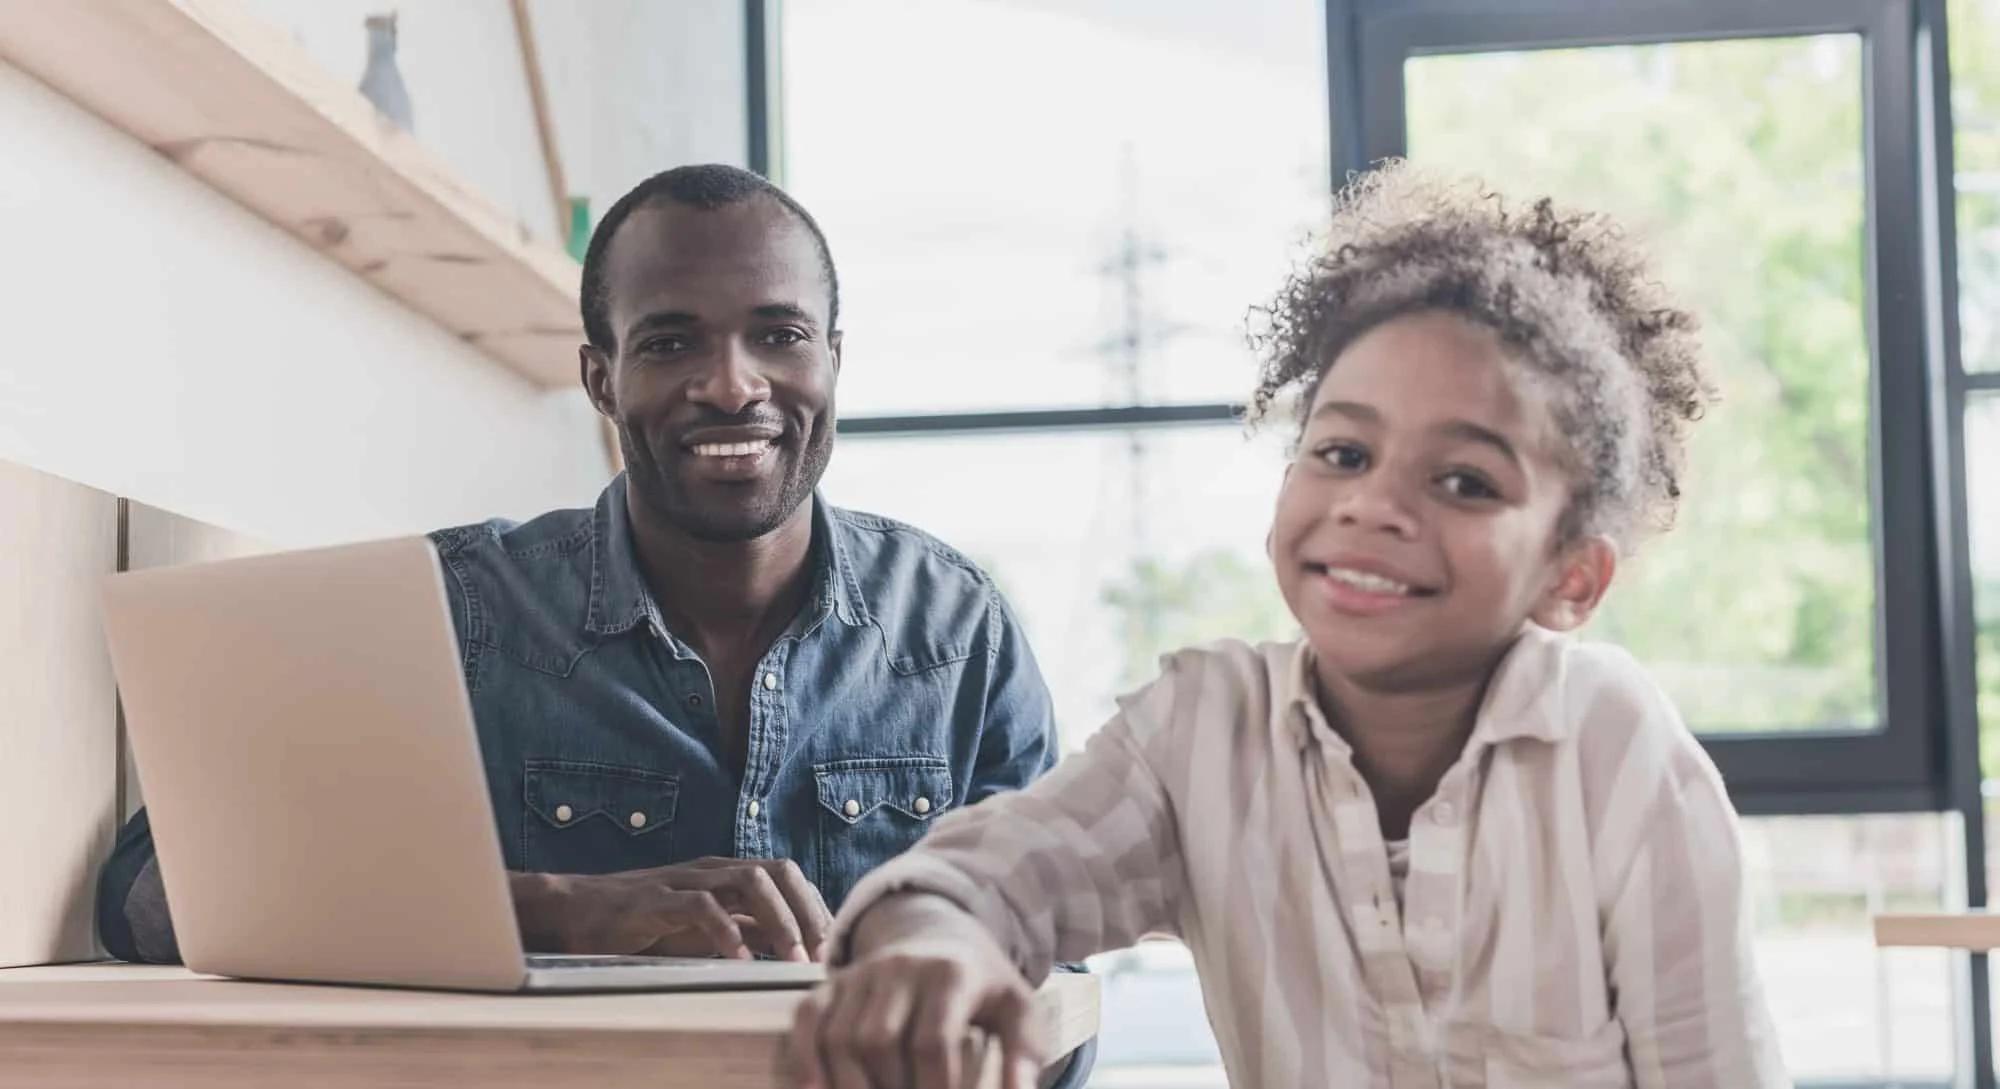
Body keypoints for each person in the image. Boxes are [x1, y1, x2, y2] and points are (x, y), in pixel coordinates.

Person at [787, 161, 1790, 1089]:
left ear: (1570, 576)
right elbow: (992, 879)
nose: (1371, 506)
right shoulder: (1199, 732)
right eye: (1342, 454)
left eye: (1461, 480)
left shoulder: (1611, 748)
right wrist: (932, 939)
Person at [95, 162, 1073, 986]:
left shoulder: (954, 629)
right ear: (601, 377)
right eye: (670, 341)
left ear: (832, 359)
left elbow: (1055, 980)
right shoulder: (455, 609)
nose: (732, 384)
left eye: (777, 334)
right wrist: (550, 911)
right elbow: (149, 897)